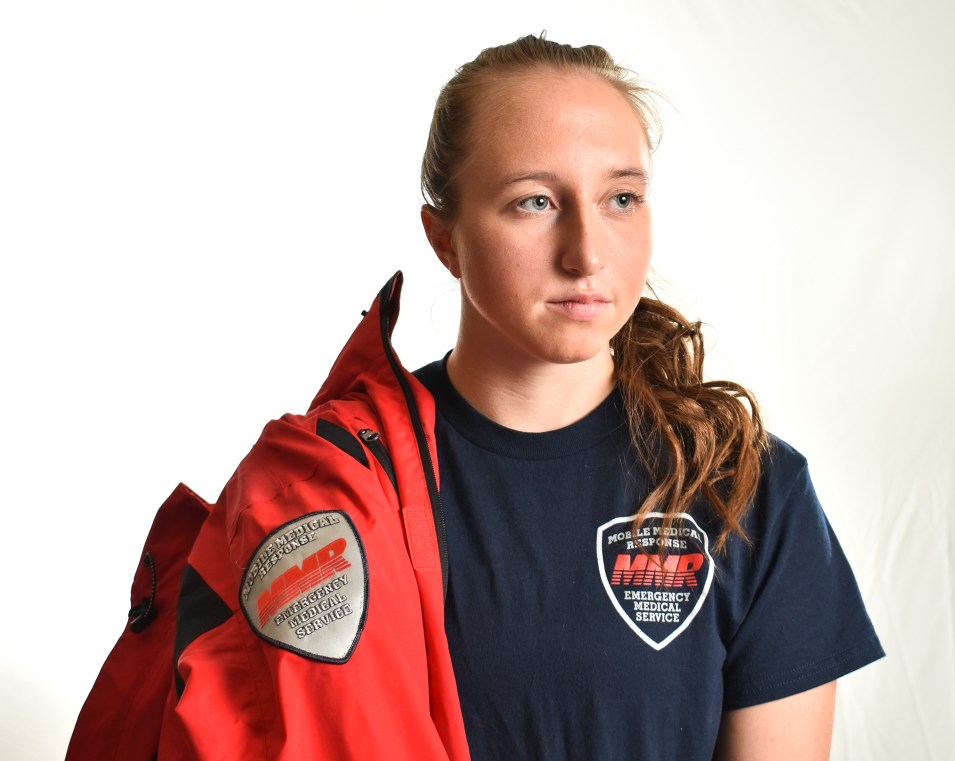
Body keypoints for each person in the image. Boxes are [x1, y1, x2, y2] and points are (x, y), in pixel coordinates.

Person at [67, 33, 883, 761]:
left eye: (621, 198)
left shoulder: (750, 490)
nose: (586, 251)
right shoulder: (335, 492)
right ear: (444, 237)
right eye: (534, 200)